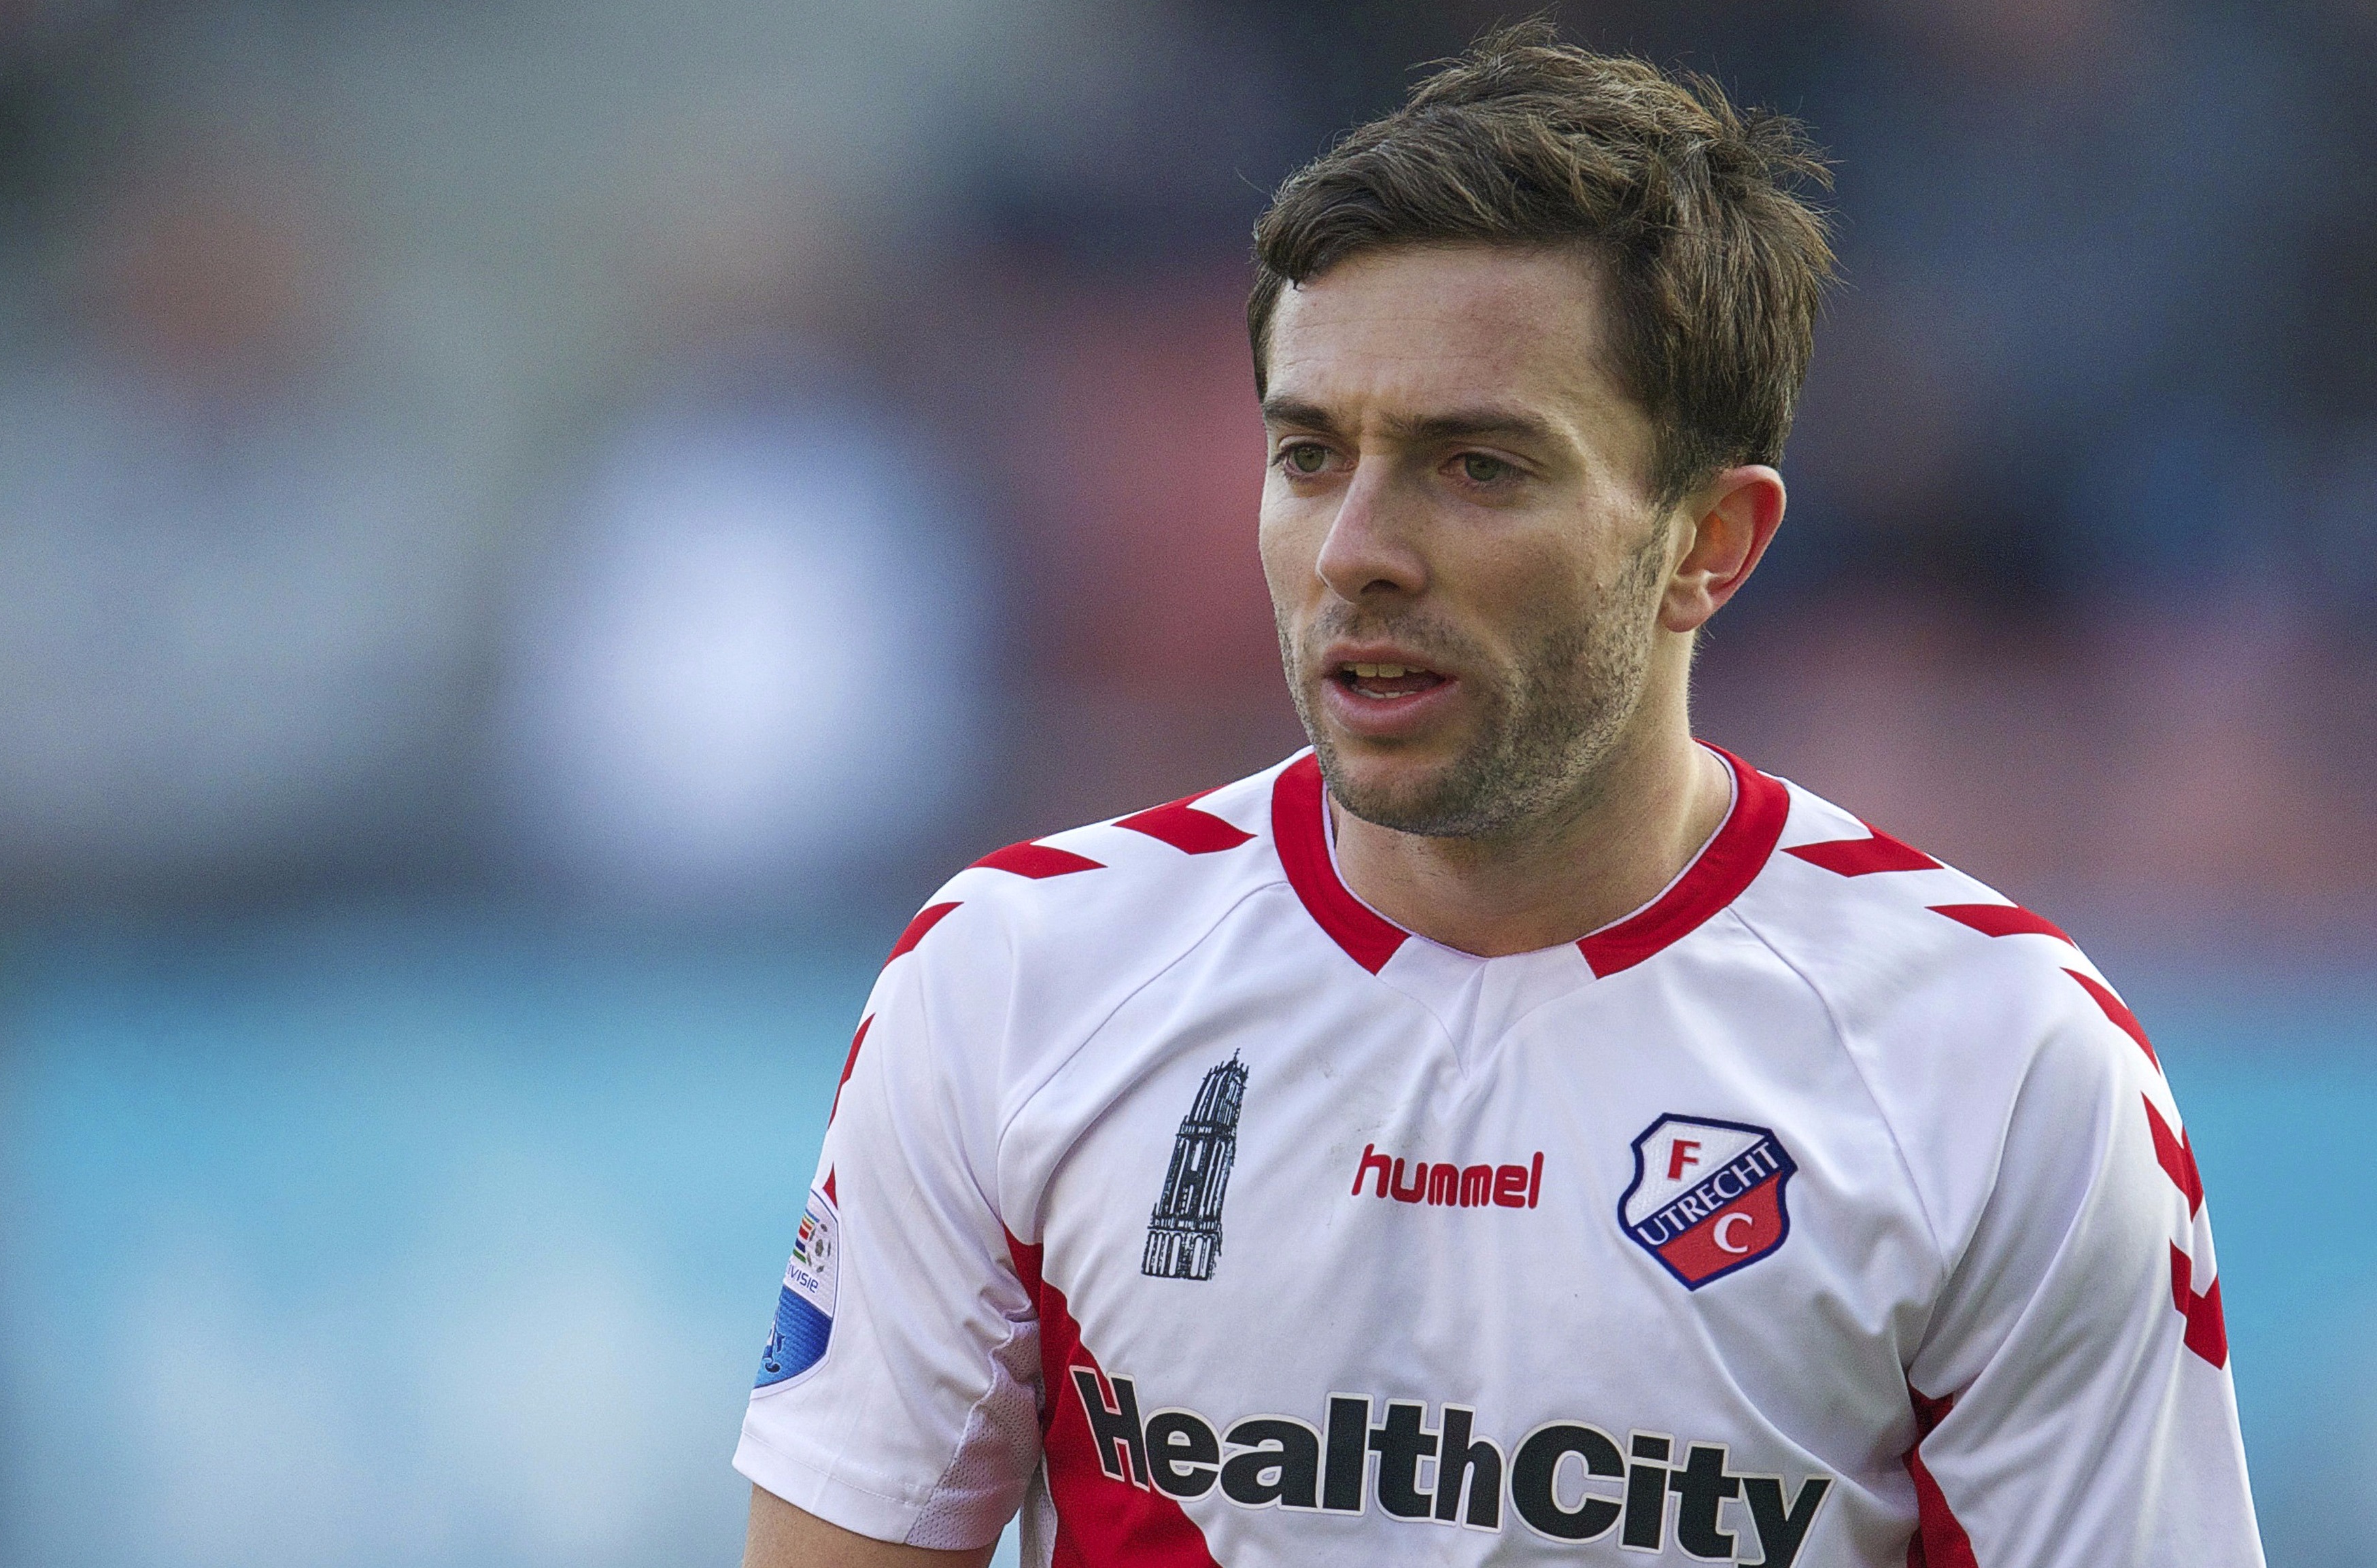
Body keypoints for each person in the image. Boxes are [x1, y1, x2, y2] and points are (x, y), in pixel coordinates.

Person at [734, 23, 2263, 1567]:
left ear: (1710, 543)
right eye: (1309, 454)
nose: (1356, 551)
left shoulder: (2001, 1066)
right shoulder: (1016, 979)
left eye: (1477, 466)